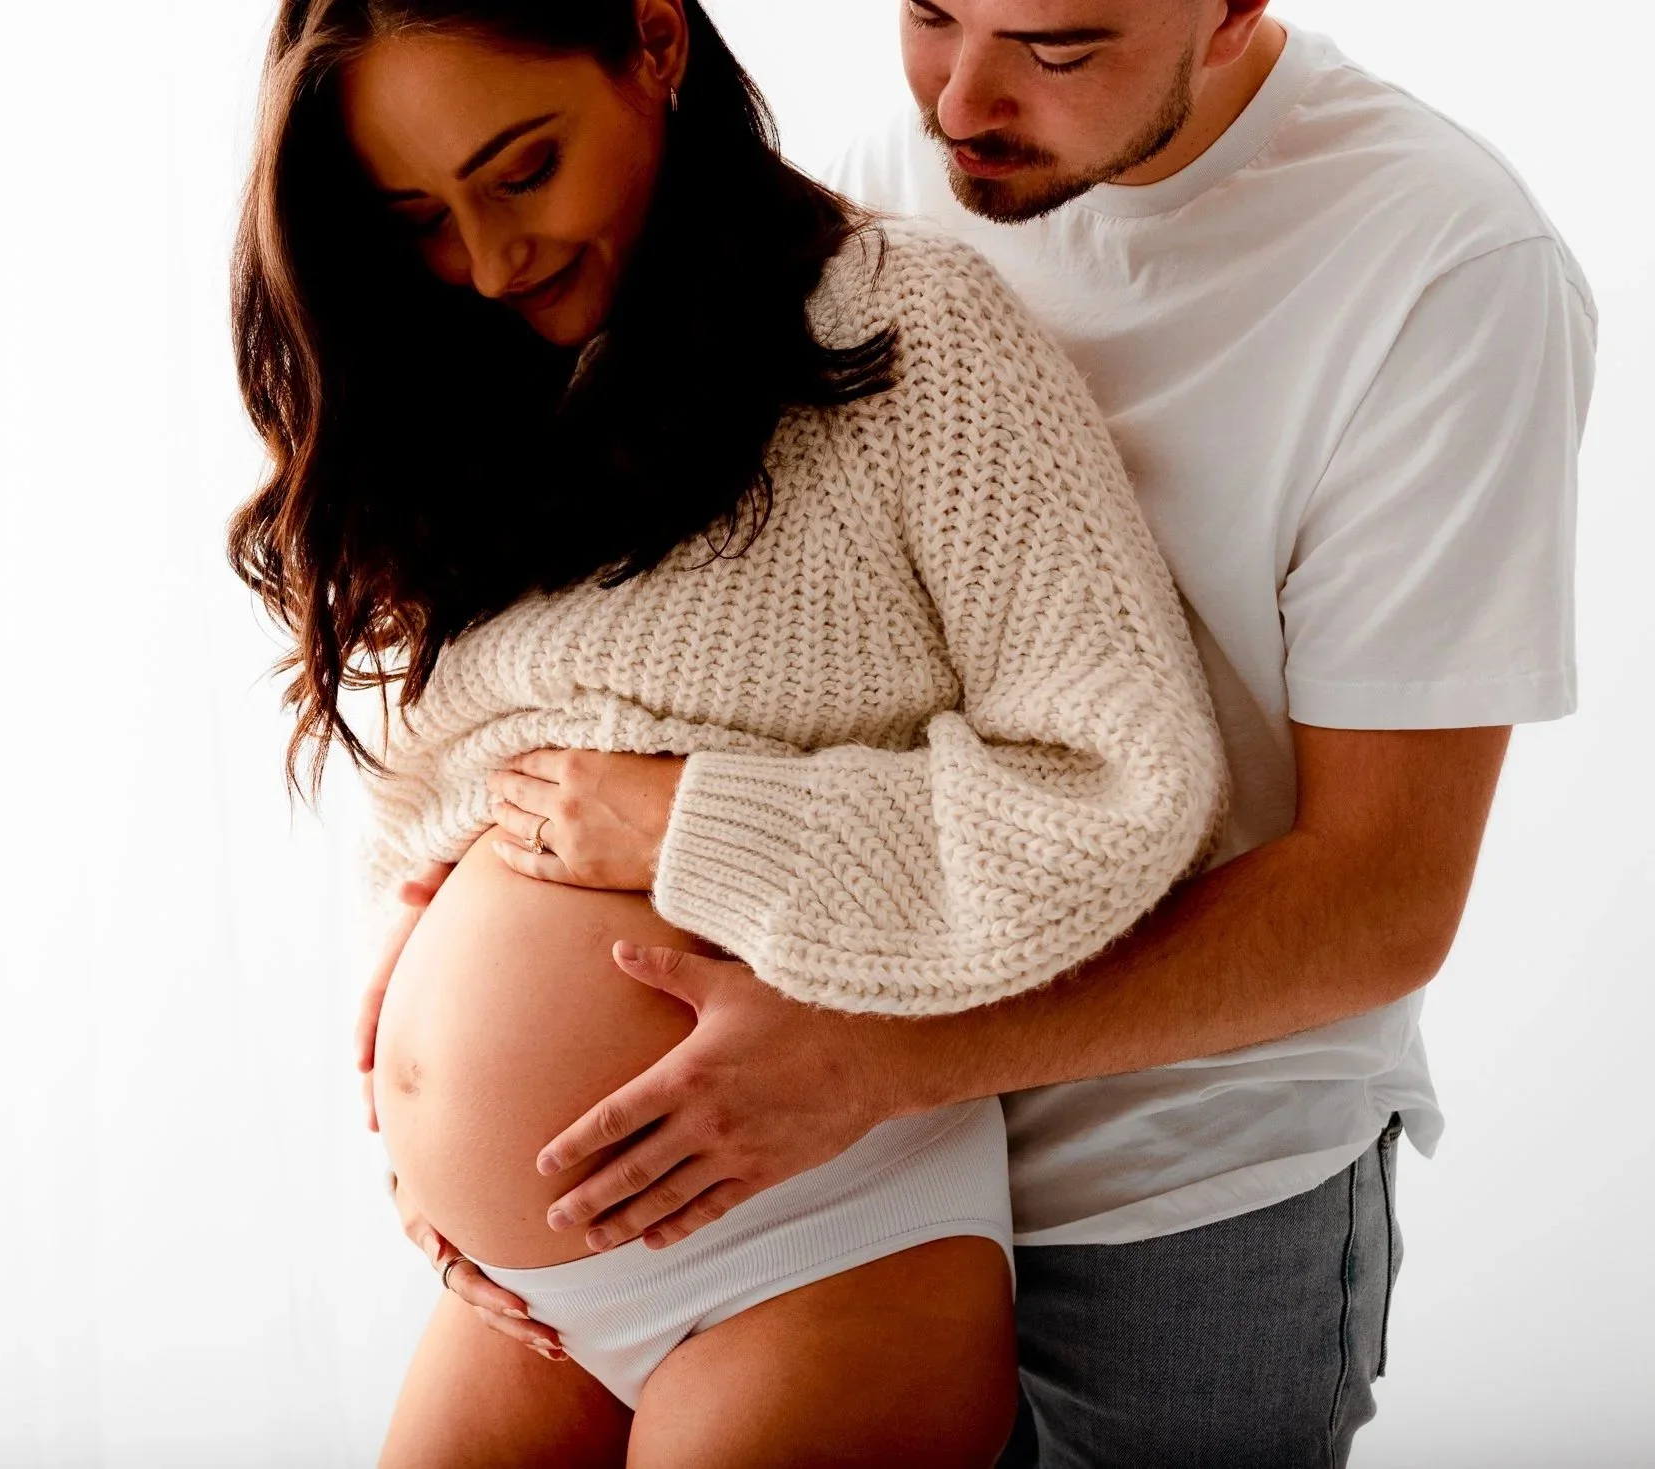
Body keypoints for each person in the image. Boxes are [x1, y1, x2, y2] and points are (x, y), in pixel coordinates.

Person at [419, 3, 1595, 1465]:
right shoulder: (862, 189)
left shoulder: (1440, 268)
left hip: (1168, 1204)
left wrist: (870, 1054)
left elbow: (1377, 902)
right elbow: (652, 657)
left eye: (1056, 46)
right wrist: (430, 1017)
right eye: (927, 12)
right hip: (739, 1172)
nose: (962, 98)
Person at [231, 1, 1227, 1463]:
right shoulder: (482, 381)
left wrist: (698, 822)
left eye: (521, 171)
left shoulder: (909, 332)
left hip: (815, 1251)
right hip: (524, 1295)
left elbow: (1127, 789)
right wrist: (421, 983)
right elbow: (468, 769)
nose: (492, 260)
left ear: (652, 41)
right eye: (417, 218)